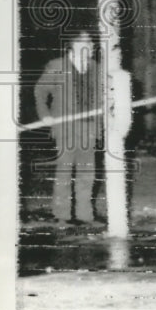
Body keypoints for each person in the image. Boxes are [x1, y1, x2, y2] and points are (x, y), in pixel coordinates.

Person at [34, 32, 105, 226]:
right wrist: (45, 114)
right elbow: (40, 91)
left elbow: (103, 96)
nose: (89, 47)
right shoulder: (57, 66)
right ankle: (62, 216)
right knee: (64, 172)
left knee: (87, 174)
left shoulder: (97, 68)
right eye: (84, 43)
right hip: (65, 128)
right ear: (72, 46)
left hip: (89, 128)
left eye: (91, 43)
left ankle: (85, 216)